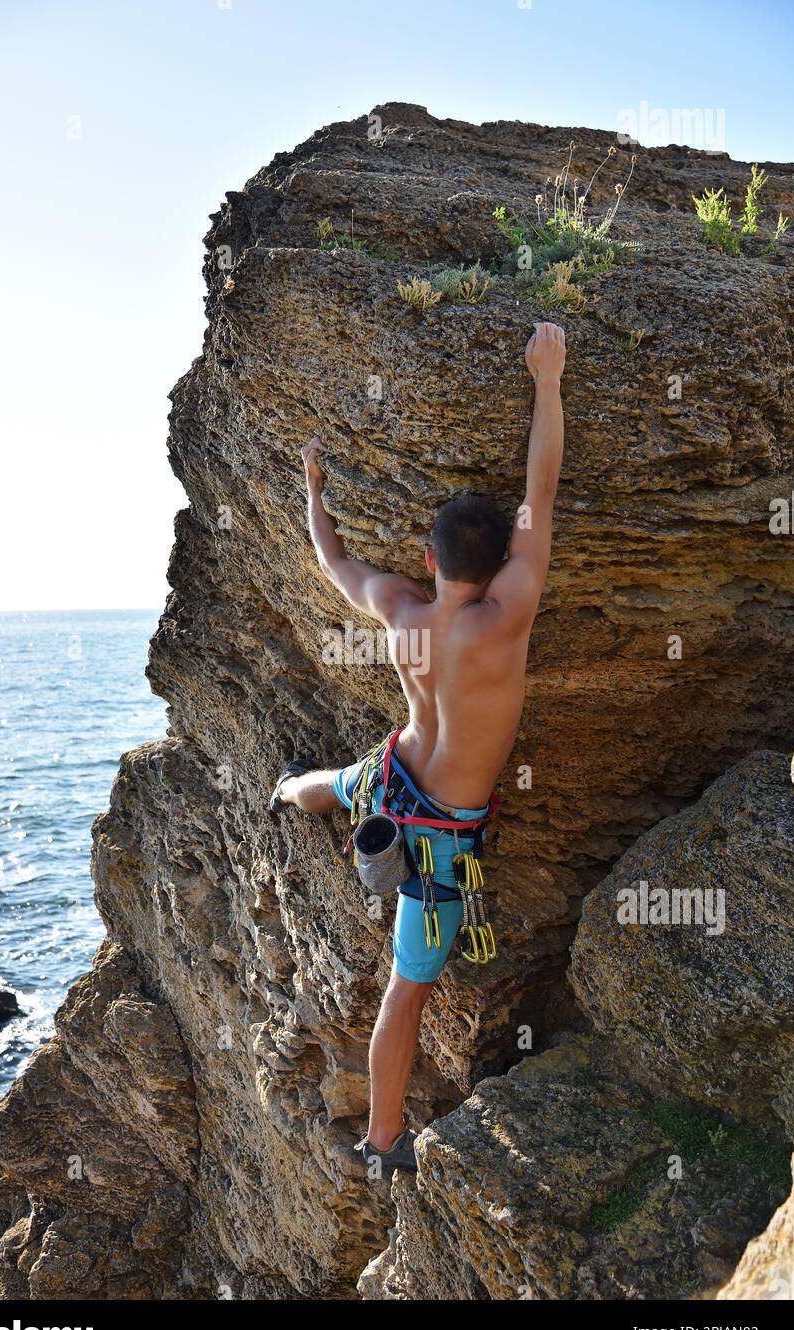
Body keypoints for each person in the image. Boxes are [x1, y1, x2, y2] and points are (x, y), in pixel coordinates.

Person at [270, 321, 566, 1173]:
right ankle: (382, 1139)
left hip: (395, 771)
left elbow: (331, 560)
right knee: (408, 989)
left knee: (342, 782)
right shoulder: (506, 614)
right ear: (500, 558)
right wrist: (545, 379)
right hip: (437, 833)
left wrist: (312, 488)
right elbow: (537, 493)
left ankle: (288, 791)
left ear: (424, 558)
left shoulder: (400, 611)